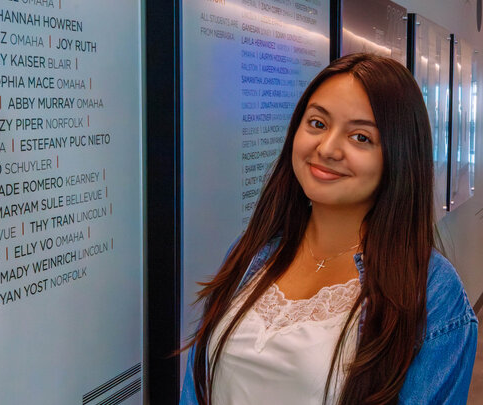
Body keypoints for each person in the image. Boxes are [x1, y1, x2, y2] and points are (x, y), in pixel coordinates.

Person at [179, 53, 478, 404]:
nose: (328, 148)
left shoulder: (431, 292)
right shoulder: (252, 252)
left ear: (399, 155)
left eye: (360, 137)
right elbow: (196, 389)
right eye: (318, 124)